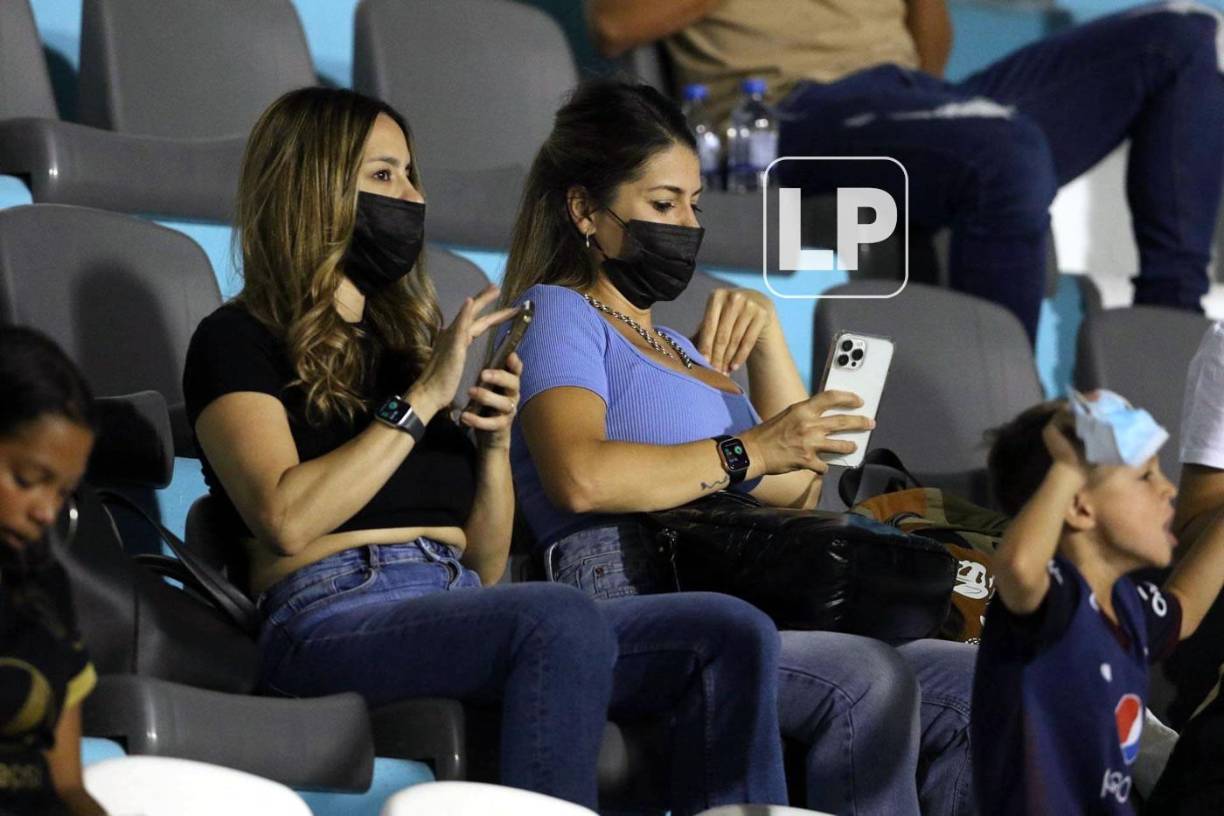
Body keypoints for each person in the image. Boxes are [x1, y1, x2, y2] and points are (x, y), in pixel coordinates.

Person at [182, 86, 789, 813]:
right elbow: (283, 516)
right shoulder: (234, 339)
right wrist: (424, 403)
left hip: (453, 597)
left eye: (411, 174)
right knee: (558, 620)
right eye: (383, 177)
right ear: (312, 187)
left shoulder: (407, 353)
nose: (410, 195)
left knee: (729, 632)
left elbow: (486, 562)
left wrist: (494, 448)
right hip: (329, 612)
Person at [499, 79, 976, 816]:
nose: (686, 224)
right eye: (663, 205)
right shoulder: (559, 311)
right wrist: (745, 450)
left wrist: (767, 342)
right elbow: (579, 476)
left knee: (980, 685)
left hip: (748, 597)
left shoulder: (689, 351)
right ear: (585, 210)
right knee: (866, 678)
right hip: (631, 602)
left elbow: (797, 490)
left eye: (695, 204)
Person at [587, 0, 1224, 342]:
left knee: (1186, 33)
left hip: (900, 94)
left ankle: (1169, 328)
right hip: (784, 112)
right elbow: (615, 22)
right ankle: (1008, 428)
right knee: (1007, 152)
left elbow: (930, 46)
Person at [975, 396, 1224, 814]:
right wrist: (1070, 464)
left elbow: (1184, 606)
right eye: (1145, 476)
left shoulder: (1129, 605)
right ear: (1078, 505)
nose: (1169, 490)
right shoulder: (1055, 601)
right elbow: (1017, 567)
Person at [0, 327, 104, 816]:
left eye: (63, 493)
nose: (46, 512)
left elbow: (67, 788)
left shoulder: (45, 589)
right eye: (28, 479)